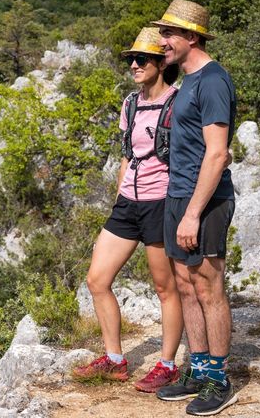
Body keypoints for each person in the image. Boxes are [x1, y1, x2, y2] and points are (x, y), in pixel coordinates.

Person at [72, 27, 184, 393]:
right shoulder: (130, 104)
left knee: (166, 288)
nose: (134, 65)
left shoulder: (178, 102)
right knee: (97, 279)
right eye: (131, 59)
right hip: (127, 204)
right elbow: (127, 154)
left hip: (160, 204)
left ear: (160, 63)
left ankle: (167, 364)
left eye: (141, 59)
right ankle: (115, 359)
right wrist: (119, 196)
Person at [152, 0, 237, 416]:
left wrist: (192, 213)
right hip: (178, 195)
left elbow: (218, 154)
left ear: (191, 36)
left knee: (208, 287)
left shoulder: (213, 80)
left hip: (204, 201)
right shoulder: (187, 81)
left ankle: (220, 379)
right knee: (185, 286)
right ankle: (199, 369)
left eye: (168, 34)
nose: (161, 40)